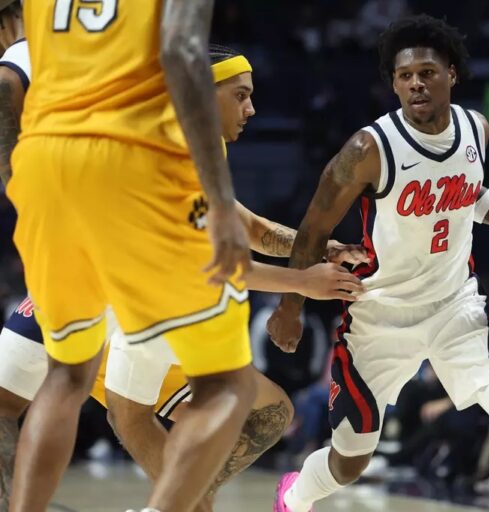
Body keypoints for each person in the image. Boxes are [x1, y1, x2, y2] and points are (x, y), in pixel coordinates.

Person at [3, 2, 357, 511]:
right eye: (241, 95)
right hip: (125, 288)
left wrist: (317, 248)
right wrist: (302, 282)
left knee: (83, 390)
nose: (252, 110)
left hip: (58, 195)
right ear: (199, 89)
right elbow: (213, 261)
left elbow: (246, 226)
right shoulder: (176, 140)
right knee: (225, 392)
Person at [268, 14, 489, 512]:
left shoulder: (476, 128)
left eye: (427, 72)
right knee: (350, 462)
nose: (416, 83)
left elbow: (470, 196)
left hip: (456, 307)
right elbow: (313, 231)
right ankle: (296, 493)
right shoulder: (368, 149)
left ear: (451, 75)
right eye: (405, 76)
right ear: (394, 84)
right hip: (380, 316)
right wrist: (290, 307)